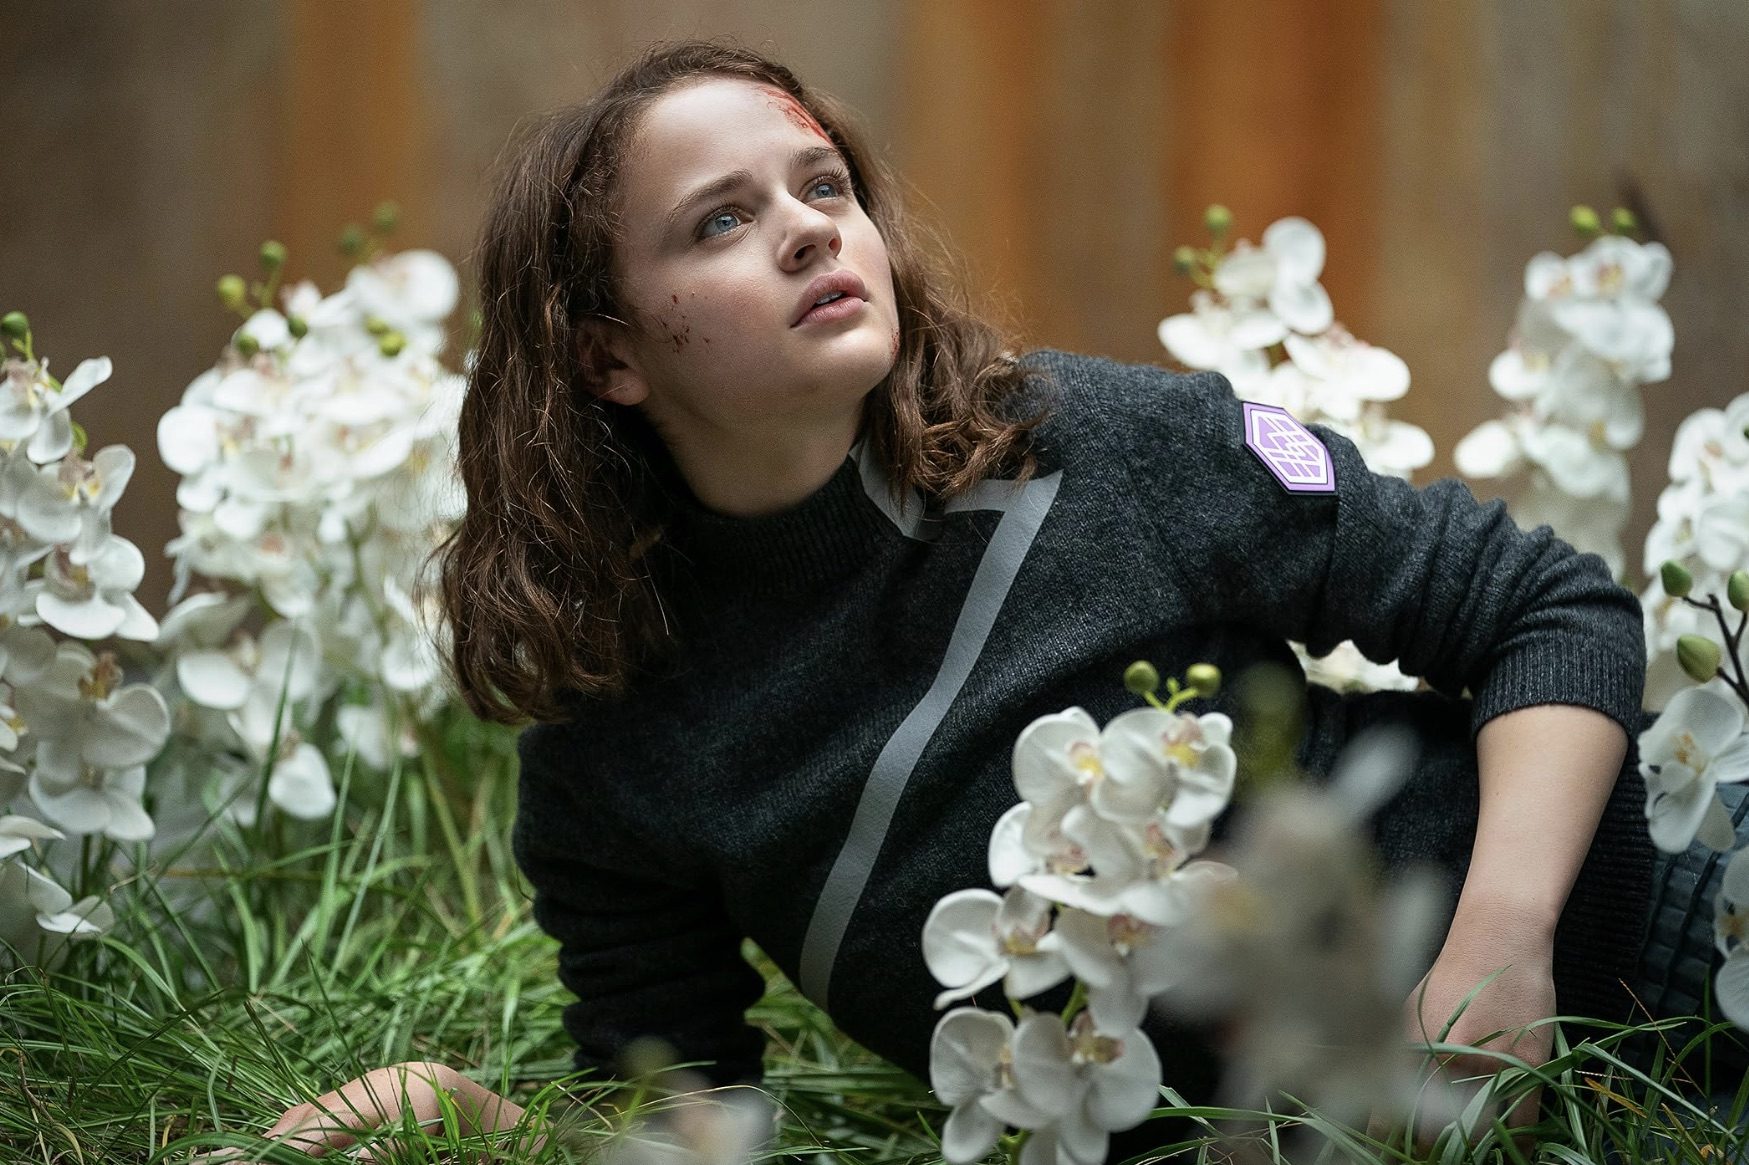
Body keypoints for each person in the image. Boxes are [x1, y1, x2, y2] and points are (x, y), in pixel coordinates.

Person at [240, 39, 1661, 1160]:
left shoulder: (1104, 448)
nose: (805, 231)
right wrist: (457, 1112)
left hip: (1649, 945)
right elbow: (683, 1126)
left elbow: (1554, 613)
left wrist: (1492, 967)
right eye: (720, 221)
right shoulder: (614, 745)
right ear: (610, 355)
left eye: (821, 186)